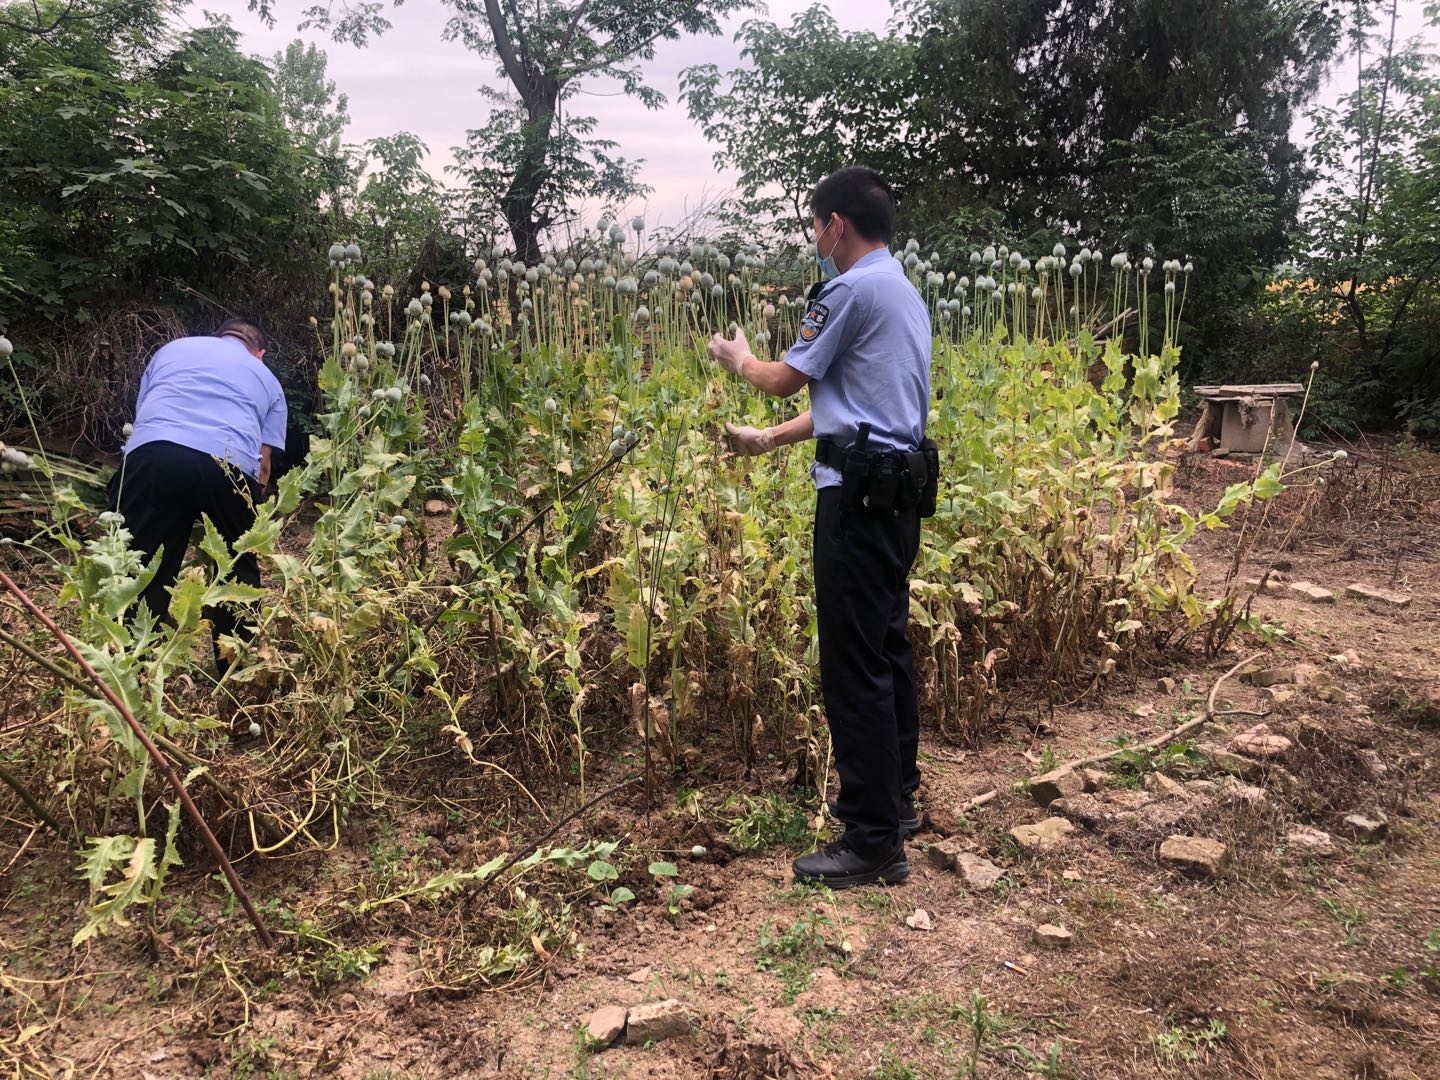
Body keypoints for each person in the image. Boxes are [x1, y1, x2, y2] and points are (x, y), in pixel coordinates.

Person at [708, 166, 935, 888]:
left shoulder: (849, 290)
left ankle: (871, 841)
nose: (814, 237)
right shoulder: (902, 292)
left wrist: (738, 358)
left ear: (836, 224)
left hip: (856, 500)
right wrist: (768, 440)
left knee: (853, 665)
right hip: (898, 492)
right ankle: (897, 802)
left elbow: (784, 377)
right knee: (887, 648)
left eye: (814, 225)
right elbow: (856, 406)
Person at [107, 318, 287, 667]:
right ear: (260, 353)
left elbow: (145, 417)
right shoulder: (267, 379)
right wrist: (248, 517)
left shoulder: (172, 350)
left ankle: (131, 668)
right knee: (235, 567)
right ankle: (236, 670)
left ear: (216, 337)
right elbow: (263, 466)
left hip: (155, 453)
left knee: (141, 563)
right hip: (229, 465)